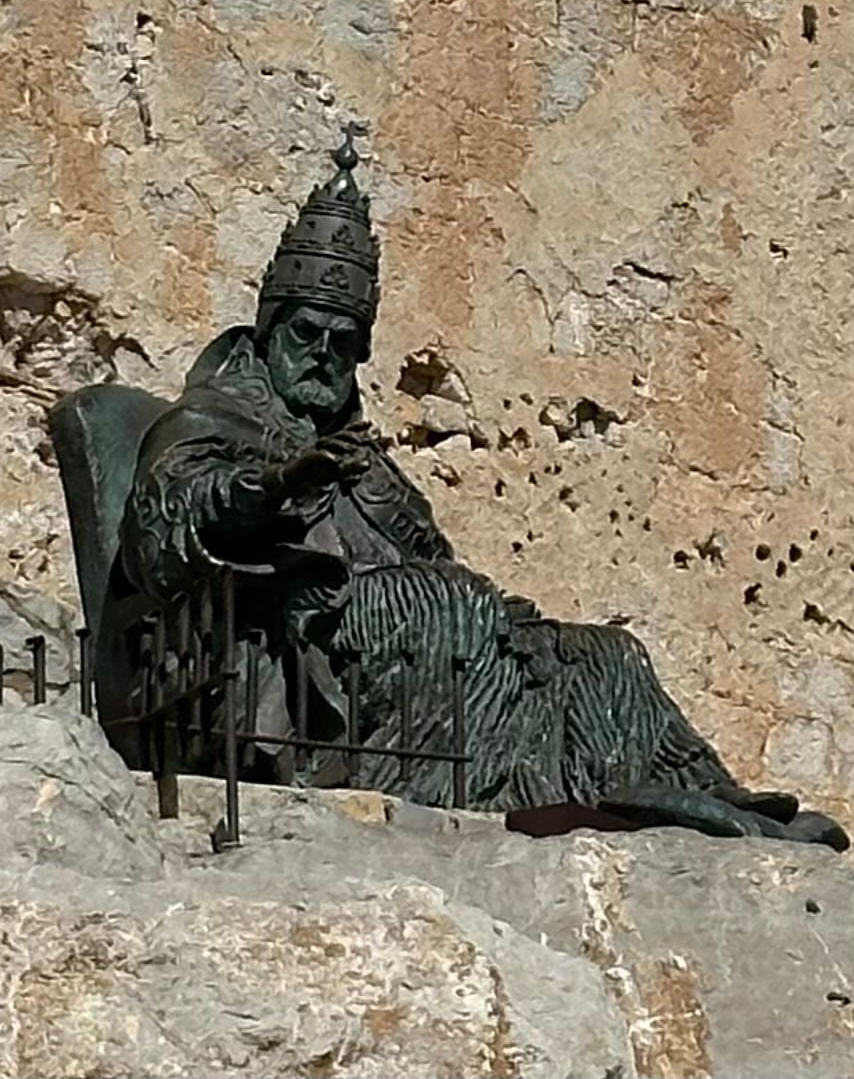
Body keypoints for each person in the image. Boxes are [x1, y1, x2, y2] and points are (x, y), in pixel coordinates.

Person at [112, 128, 848, 849]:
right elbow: (169, 526)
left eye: (344, 343)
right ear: (270, 330)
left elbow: (435, 558)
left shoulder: (365, 462)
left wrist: (523, 631)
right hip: (271, 655)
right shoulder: (210, 420)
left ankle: (687, 790)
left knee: (601, 653)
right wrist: (280, 483)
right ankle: (529, 791)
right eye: (306, 335)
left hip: (392, 655)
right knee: (442, 608)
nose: (323, 356)